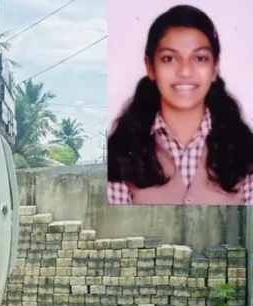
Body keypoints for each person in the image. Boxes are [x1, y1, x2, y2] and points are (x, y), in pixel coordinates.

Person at [107, 4, 253, 205]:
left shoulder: (245, 151)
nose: (185, 71)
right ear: (150, 67)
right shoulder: (120, 152)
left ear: (215, 68)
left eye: (200, 58)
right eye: (169, 59)